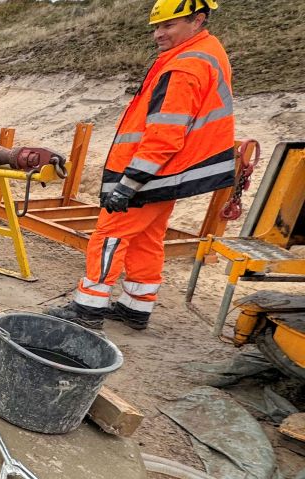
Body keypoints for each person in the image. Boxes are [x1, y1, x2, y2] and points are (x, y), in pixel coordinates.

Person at [47, 0, 233, 331]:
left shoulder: (186, 66)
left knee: (109, 234)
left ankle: (88, 307)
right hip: (169, 172)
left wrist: (129, 183)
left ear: (198, 20)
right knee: (147, 237)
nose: (158, 34)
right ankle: (137, 306)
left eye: (168, 26)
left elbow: (165, 133)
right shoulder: (204, 52)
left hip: (152, 172)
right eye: (156, 27)